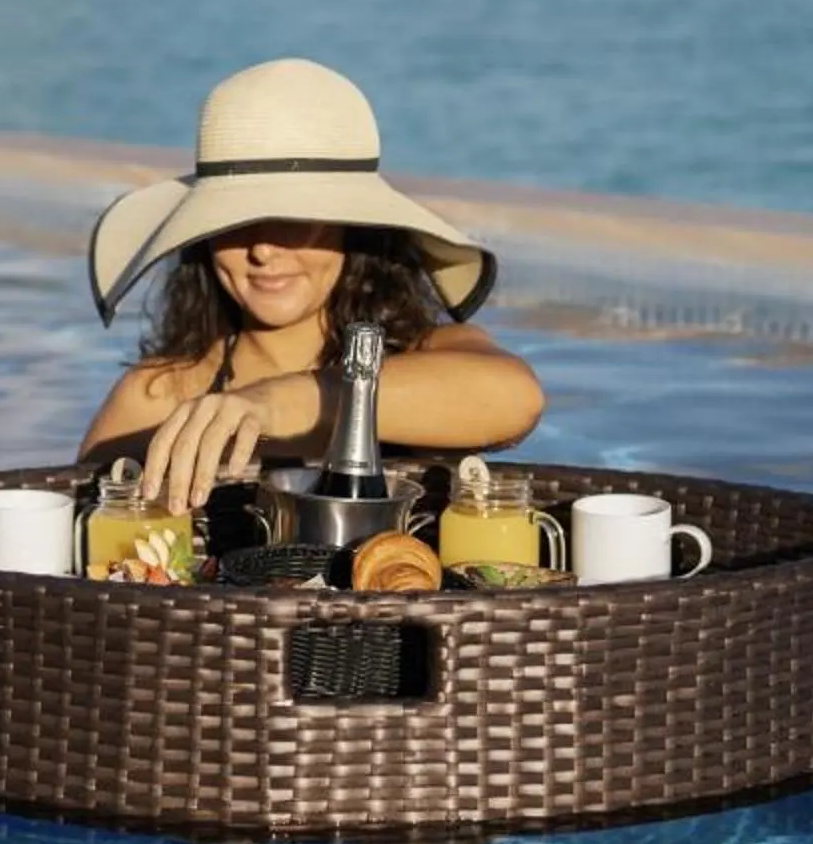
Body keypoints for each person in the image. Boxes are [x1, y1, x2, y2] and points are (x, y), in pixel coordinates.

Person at [79, 58, 545, 513]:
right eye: (233, 225)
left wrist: (278, 402)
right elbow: (82, 524)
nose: (262, 251)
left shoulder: (427, 354)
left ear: (352, 229)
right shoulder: (162, 393)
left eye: (292, 221)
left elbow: (517, 400)